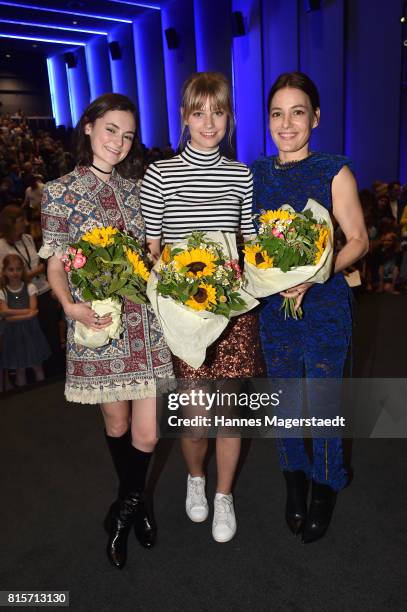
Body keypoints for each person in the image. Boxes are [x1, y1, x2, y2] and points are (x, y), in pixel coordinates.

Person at [39, 93, 174, 569]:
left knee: (150, 435)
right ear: (90, 127)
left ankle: (123, 511)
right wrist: (69, 307)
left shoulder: (137, 190)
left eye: (129, 134)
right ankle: (138, 503)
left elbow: (149, 253)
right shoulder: (58, 192)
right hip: (96, 322)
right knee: (117, 426)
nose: (120, 141)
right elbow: (55, 264)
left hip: (143, 323)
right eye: (112, 129)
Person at [140, 72, 264, 543]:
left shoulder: (240, 175)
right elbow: (154, 250)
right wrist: (177, 289)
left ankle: (224, 494)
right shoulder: (160, 174)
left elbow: (249, 245)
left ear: (228, 118)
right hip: (184, 314)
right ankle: (196, 479)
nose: (209, 122)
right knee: (195, 422)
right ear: (185, 118)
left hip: (232, 315)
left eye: (218, 111)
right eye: (199, 112)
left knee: (230, 414)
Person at [252, 72, 368, 543]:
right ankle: (293, 480)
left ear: (315, 117)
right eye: (277, 113)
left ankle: (325, 484)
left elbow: (359, 240)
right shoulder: (254, 173)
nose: (286, 123)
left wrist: (314, 274)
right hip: (272, 309)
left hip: (324, 306)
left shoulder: (333, 170)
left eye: (297, 112)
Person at [0, 205, 61, 375]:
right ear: (10, 224)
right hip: (21, 296)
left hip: (41, 289)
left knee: (51, 332)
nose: (26, 223)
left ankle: (54, 371)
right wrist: (32, 273)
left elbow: (37, 263)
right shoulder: (2, 246)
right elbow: (5, 275)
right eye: (21, 221)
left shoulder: (27, 238)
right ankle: (32, 374)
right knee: (30, 335)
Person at [0, 253, 50, 386]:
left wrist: (12, 316)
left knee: (37, 366)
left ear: (23, 270)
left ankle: (44, 395)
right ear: (4, 271)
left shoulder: (30, 287)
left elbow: (33, 309)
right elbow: (4, 313)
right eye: (11, 269)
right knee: (20, 369)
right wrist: (27, 314)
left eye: (18, 269)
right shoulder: (3, 291)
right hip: (14, 335)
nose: (15, 273)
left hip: (31, 333)